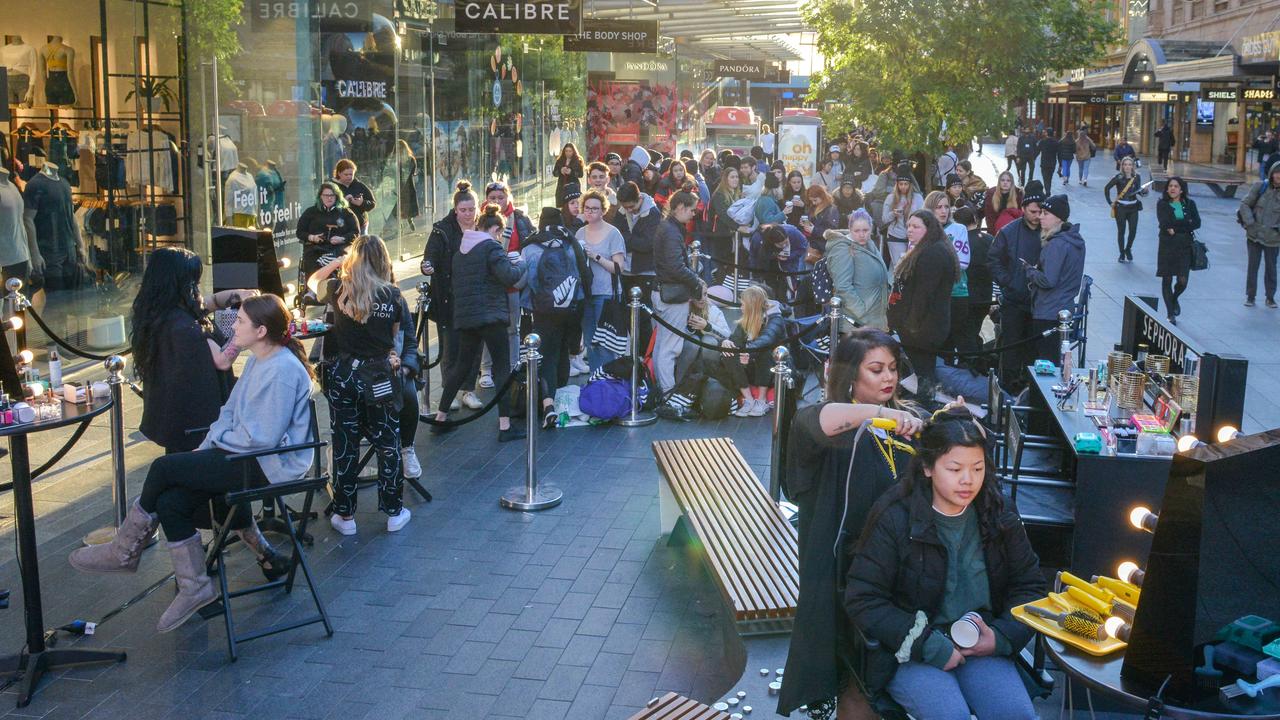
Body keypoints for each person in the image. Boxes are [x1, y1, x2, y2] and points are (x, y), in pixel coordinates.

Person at [69, 294, 315, 633]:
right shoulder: (260, 360)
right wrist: (208, 446)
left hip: (265, 464)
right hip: (243, 456)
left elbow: (263, 438)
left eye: (240, 321)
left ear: (260, 331)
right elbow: (228, 413)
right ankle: (195, 586)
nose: (233, 326)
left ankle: (123, 550)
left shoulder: (283, 369)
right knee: (171, 503)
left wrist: (217, 445)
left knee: (163, 468)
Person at [845, 406, 1043, 720]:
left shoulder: (998, 511)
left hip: (980, 643)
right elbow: (864, 598)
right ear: (927, 467)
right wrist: (928, 645)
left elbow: (1030, 585)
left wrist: (1002, 636)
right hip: (911, 651)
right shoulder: (896, 516)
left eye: (978, 469)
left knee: (1018, 715)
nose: (968, 481)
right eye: (955, 469)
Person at [778, 329, 925, 720]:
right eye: (875, 370)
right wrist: (884, 414)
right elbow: (818, 420)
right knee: (852, 676)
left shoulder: (904, 418)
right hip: (840, 570)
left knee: (882, 674)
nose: (888, 378)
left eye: (893, 368)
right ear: (850, 376)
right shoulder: (833, 422)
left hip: (891, 569)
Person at [129, 250, 288, 580]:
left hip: (179, 423)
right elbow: (223, 360)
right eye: (194, 281)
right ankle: (210, 566)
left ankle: (253, 558)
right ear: (183, 283)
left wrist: (229, 298)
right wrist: (245, 331)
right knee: (202, 494)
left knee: (206, 493)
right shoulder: (184, 328)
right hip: (198, 428)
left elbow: (201, 307)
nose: (198, 288)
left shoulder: (160, 313)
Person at [307, 236, 411, 534]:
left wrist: (337, 264)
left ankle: (346, 516)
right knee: (387, 441)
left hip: (343, 374)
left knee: (344, 441)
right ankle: (393, 511)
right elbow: (393, 339)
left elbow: (313, 281)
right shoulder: (393, 296)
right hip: (378, 375)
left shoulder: (338, 289)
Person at [433, 203, 526, 441]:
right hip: (491, 315)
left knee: (462, 366)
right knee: (501, 367)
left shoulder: (460, 253)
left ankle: (440, 418)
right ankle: (505, 425)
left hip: (467, 317)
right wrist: (521, 263)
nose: (499, 238)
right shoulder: (492, 248)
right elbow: (510, 277)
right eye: (499, 233)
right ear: (494, 229)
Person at [423, 182, 484, 411]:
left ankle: (468, 389)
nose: (468, 215)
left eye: (471, 210)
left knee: (474, 345)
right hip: (449, 297)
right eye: (464, 210)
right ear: (456, 209)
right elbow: (430, 256)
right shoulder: (442, 229)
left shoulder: (482, 226)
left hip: (476, 295)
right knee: (450, 347)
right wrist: (427, 265)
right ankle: (451, 391)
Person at [888, 210, 958, 398]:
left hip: (923, 329)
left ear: (929, 229)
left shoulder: (933, 253)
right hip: (921, 327)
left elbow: (923, 296)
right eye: (909, 225)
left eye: (916, 226)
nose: (910, 230)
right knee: (921, 374)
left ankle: (924, 410)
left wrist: (910, 326)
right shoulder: (927, 249)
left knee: (924, 376)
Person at [479, 180, 536, 389]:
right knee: (488, 328)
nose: (497, 201)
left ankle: (513, 365)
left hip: (512, 280)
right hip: (489, 283)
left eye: (500, 197)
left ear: (508, 197)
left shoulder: (519, 219)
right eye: (493, 198)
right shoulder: (481, 219)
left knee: (513, 327)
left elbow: (530, 243)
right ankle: (486, 369)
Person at [988, 180, 1045, 384]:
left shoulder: (1049, 231)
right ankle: (1008, 387)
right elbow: (994, 259)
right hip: (1014, 302)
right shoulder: (1009, 232)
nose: (1037, 216)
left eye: (1040, 212)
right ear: (1023, 209)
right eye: (1032, 212)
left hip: (1040, 305)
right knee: (1010, 350)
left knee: (1034, 353)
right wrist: (1008, 282)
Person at [652, 191, 706, 393]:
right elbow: (676, 267)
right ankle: (668, 394)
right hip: (671, 295)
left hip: (664, 292)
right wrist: (697, 284)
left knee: (663, 345)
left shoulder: (668, 228)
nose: (694, 214)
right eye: (692, 210)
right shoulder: (671, 231)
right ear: (681, 207)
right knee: (670, 347)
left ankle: (663, 390)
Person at [1026, 194, 1086, 358]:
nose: (1040, 216)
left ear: (1058, 218)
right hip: (1063, 309)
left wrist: (1030, 271)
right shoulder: (1074, 239)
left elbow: (1048, 280)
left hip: (1049, 311)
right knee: (1054, 362)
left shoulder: (1057, 244)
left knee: (1045, 363)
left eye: (1045, 213)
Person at [577, 189, 627, 370]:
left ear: (603, 211)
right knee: (590, 342)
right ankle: (595, 382)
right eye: (587, 208)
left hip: (606, 293)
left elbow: (618, 268)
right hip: (586, 293)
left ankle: (608, 382)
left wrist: (595, 256)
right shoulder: (580, 233)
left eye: (595, 209)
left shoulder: (613, 233)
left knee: (606, 343)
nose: (590, 212)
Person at [721, 285, 786, 417]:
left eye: (743, 304)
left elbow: (768, 338)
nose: (740, 308)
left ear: (752, 306)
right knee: (728, 353)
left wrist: (748, 351)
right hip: (752, 365)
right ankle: (749, 399)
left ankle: (761, 400)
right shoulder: (745, 321)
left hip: (775, 369)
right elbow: (736, 341)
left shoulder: (775, 319)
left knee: (765, 351)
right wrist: (727, 342)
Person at [825, 210, 891, 330]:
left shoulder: (869, 244)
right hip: (857, 324)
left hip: (874, 320)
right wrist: (862, 314)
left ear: (871, 229)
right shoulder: (843, 249)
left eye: (865, 230)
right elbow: (843, 287)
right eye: (857, 231)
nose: (861, 235)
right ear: (850, 229)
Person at [926, 192, 973, 357]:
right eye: (938, 207)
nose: (943, 211)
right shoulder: (921, 230)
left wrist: (933, 263)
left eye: (946, 206)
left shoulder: (959, 229)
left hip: (957, 294)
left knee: (952, 343)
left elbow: (963, 263)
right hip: (930, 296)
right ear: (930, 209)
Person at [1155, 178, 1201, 324]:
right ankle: (1170, 313)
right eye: (1170, 186)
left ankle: (1174, 299)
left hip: (1184, 246)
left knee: (1183, 281)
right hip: (1167, 246)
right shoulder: (1162, 204)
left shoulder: (1189, 204)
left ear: (1182, 190)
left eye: (1176, 186)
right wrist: (1185, 224)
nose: (1173, 189)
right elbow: (1165, 224)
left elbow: (1197, 223)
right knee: (1167, 279)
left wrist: (1177, 228)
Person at [296, 181, 360, 278]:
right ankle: (313, 289)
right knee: (311, 259)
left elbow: (355, 232)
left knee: (344, 258)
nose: (329, 198)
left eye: (332, 195)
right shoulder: (311, 212)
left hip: (340, 248)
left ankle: (341, 285)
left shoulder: (346, 212)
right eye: (326, 195)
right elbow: (300, 232)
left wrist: (342, 239)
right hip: (315, 248)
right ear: (320, 196)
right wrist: (312, 237)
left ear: (337, 196)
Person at [1239, 162, 1280, 308]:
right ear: (1272, 173)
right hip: (1254, 235)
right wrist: (1250, 223)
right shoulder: (1260, 187)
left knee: (1271, 268)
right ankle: (1250, 296)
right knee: (1252, 266)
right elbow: (1244, 204)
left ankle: (1270, 297)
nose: (1278, 176)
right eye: (1276, 172)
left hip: (1273, 238)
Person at [612, 180, 662, 299]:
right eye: (625, 207)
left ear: (639, 198)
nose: (629, 210)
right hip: (625, 270)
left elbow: (647, 244)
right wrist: (634, 240)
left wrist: (626, 239)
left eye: (632, 206)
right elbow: (615, 236)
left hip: (645, 270)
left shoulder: (653, 213)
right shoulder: (621, 212)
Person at [956, 208, 993, 360]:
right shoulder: (989, 239)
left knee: (966, 333)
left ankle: (973, 363)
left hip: (966, 296)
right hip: (985, 294)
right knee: (973, 330)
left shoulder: (960, 242)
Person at [1103, 156, 1148, 263]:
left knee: (1133, 230)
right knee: (1121, 231)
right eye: (1125, 164)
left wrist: (1144, 191)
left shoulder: (1137, 177)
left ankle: (1128, 249)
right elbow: (1107, 188)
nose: (1127, 167)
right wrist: (1110, 202)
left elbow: (1139, 192)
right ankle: (1121, 253)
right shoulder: (1118, 177)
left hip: (1133, 207)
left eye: (1129, 164)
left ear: (1133, 166)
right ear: (1122, 166)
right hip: (1121, 208)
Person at [749, 223, 808, 302]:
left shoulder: (792, 232)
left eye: (786, 242)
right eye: (780, 244)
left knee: (784, 291)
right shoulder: (758, 239)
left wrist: (789, 256)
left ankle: (784, 305)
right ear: (773, 243)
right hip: (768, 265)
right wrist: (756, 275)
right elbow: (754, 257)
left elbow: (803, 247)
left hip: (787, 267)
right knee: (771, 290)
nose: (784, 245)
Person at [882, 165, 924, 267]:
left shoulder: (918, 198)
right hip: (895, 237)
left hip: (914, 238)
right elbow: (884, 219)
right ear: (897, 184)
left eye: (906, 184)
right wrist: (893, 214)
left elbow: (924, 216)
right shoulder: (890, 198)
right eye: (901, 184)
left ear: (910, 185)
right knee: (900, 266)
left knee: (913, 266)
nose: (903, 187)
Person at [333, 159, 376, 233]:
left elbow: (372, 203)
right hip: (340, 227)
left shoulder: (359, 185)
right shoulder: (331, 187)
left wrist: (362, 203)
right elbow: (325, 206)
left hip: (361, 225)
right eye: (346, 174)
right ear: (339, 173)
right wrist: (343, 201)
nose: (349, 177)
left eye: (351, 174)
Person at [801, 184, 842, 254]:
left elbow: (832, 232)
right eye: (811, 201)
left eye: (815, 200)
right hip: (810, 245)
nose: (813, 203)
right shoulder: (813, 206)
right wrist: (804, 223)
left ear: (822, 196)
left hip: (823, 248)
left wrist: (813, 230)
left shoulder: (831, 209)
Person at [553, 142, 584, 206]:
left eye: (570, 151)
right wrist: (560, 171)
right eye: (566, 151)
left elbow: (581, 174)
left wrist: (571, 172)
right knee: (561, 203)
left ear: (573, 151)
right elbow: (554, 173)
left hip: (573, 185)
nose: (568, 153)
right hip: (561, 185)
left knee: (572, 203)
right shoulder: (560, 160)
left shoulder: (578, 160)